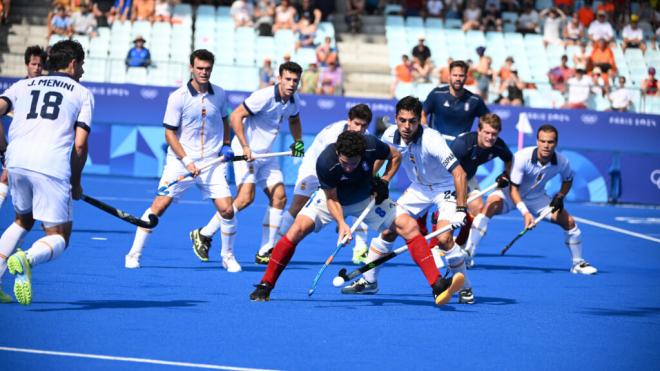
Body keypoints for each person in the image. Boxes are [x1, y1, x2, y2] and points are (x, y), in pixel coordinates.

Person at [249, 130, 465, 306]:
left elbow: (396, 156)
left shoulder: (371, 145)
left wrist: (384, 180)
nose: (349, 167)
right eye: (345, 163)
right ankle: (266, 284)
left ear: (362, 153)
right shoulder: (325, 162)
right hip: (330, 200)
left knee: (408, 226)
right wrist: (343, 224)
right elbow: (332, 199)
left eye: (354, 163)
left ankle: (437, 285)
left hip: (366, 198)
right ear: (338, 154)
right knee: (296, 230)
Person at [344, 97, 470, 303]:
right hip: (418, 189)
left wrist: (461, 209)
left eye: (412, 121)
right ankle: (369, 282)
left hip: (444, 188)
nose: (406, 126)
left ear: (419, 120)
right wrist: (370, 183)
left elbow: (460, 173)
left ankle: (466, 288)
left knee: (445, 239)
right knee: (388, 228)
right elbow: (379, 159)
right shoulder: (389, 134)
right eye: (402, 120)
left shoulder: (432, 139)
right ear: (396, 118)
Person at [123, 49, 237, 271]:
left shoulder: (220, 94)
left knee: (227, 210)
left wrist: (226, 143)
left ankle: (228, 256)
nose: (204, 72)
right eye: (200, 68)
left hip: (212, 162)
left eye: (208, 69)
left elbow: (225, 119)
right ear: (191, 68)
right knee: (160, 205)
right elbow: (169, 134)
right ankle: (133, 254)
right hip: (180, 161)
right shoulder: (177, 97)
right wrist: (187, 161)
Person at [0, 40, 94, 305]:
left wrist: (3, 149)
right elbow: (79, 144)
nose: (83, 71)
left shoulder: (23, 85)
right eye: (82, 65)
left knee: (23, 220)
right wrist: (75, 182)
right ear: (73, 63)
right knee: (60, 236)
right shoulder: (81, 92)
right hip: (50, 164)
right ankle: (26, 259)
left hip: (15, 160)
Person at [191, 62, 304, 269]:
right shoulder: (263, 96)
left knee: (279, 197)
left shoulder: (294, 101)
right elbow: (235, 116)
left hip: (267, 154)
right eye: (287, 79)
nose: (291, 84)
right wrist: (244, 146)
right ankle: (204, 233)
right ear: (279, 78)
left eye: (295, 80)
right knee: (245, 199)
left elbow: (294, 121)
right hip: (247, 151)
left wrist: (298, 141)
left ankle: (265, 251)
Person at [463, 125, 598, 275]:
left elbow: (568, 180)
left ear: (556, 143)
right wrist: (525, 213)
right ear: (537, 141)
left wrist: (560, 196)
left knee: (570, 222)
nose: (546, 145)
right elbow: (514, 190)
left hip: (537, 198)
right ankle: (468, 254)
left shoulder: (562, 161)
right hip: (509, 194)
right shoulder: (522, 157)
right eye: (543, 141)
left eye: (550, 142)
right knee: (489, 206)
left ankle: (578, 263)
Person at [275, 104, 373, 266]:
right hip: (314, 168)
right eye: (356, 124)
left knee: (361, 198)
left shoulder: (366, 137)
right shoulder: (333, 135)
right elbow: (327, 169)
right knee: (297, 205)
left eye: (364, 126)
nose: (359, 129)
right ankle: (274, 246)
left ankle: (360, 249)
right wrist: (340, 218)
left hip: (342, 169)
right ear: (349, 120)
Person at [421, 60, 489, 230]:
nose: (458, 78)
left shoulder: (474, 100)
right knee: (425, 199)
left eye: (461, 75)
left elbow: (488, 122)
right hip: (435, 159)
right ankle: (424, 221)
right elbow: (422, 113)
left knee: (477, 206)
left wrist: (479, 141)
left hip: (462, 161)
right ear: (448, 75)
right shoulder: (437, 94)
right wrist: (425, 133)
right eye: (455, 75)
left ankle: (464, 246)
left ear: (466, 77)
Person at [449, 113, 513, 268]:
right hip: (448, 177)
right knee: (449, 213)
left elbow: (509, 159)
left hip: (469, 178)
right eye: (487, 132)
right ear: (479, 130)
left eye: (494, 134)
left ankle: (467, 251)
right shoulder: (463, 144)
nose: (490, 137)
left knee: (478, 209)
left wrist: (506, 175)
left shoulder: (498, 145)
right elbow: (448, 170)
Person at [0, 45, 47, 244]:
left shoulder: (48, 89)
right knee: (5, 179)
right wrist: (3, 147)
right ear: (27, 65)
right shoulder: (17, 89)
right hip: (17, 151)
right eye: (33, 64)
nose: (36, 68)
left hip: (39, 152)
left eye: (40, 65)